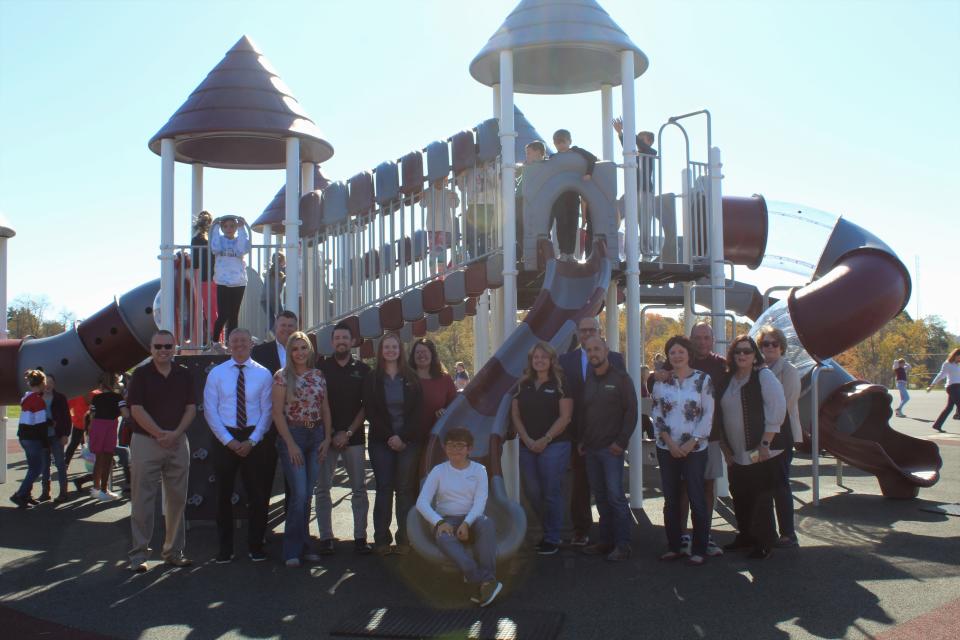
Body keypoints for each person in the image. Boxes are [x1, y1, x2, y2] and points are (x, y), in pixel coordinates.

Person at [648, 322, 727, 557]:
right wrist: (671, 444)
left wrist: (692, 442)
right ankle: (677, 541)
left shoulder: (711, 373)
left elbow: (708, 413)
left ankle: (702, 543)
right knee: (673, 496)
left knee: (701, 492)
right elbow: (657, 410)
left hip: (701, 443)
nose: (677, 355)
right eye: (673, 352)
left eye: (706, 337)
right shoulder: (664, 377)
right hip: (668, 446)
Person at [126, 329, 197, 572]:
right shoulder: (141, 374)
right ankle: (138, 555)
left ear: (175, 348)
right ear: (151, 348)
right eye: (158, 346)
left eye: (168, 346)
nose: (163, 350)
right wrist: (159, 434)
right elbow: (136, 409)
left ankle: (174, 552)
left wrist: (175, 434)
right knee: (143, 500)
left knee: (177, 500)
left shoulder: (184, 375)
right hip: (146, 441)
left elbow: (191, 408)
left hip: (178, 442)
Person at [203, 328, 274, 563]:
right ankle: (225, 549)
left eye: (244, 341)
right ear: (228, 344)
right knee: (222, 495)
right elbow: (211, 410)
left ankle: (256, 545)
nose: (239, 345)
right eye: (235, 341)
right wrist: (229, 441)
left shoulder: (264, 374)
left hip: (255, 438)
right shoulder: (216, 374)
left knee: (258, 494)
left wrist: (252, 440)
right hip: (226, 437)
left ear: (251, 344)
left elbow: (268, 411)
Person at [713, 335, 787, 560]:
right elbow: (720, 414)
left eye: (747, 351)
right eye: (738, 352)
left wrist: (765, 443)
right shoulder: (728, 379)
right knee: (740, 494)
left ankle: (764, 541)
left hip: (760, 449)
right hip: (736, 451)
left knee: (760, 495)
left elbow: (778, 409)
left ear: (755, 355)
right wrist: (725, 449)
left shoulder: (763, 376)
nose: (742, 355)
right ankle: (745, 535)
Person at [416, 426, 502, 607]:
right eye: (451, 445)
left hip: (472, 517)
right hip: (446, 518)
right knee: (444, 537)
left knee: (487, 524)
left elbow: (480, 502)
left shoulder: (479, 470)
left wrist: (467, 523)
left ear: (469, 449)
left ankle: (484, 581)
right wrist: (439, 522)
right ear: (445, 448)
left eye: (460, 446)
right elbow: (422, 502)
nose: (455, 450)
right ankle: (485, 580)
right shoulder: (438, 471)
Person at [558, 316, 625, 547]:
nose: (586, 333)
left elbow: (624, 400)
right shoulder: (565, 361)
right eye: (583, 330)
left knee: (612, 488)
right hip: (578, 435)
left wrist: (621, 436)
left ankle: (617, 536)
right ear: (577, 333)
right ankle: (581, 529)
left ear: (600, 331)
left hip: (609, 435)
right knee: (580, 485)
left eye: (591, 329)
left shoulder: (615, 359)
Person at [272, 331, 331, 567]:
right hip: (293, 436)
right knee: (299, 495)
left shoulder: (318, 375)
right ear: (289, 351)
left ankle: (306, 545)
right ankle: (291, 550)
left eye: (303, 348)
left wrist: (327, 438)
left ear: (309, 351)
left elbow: (325, 407)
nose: (299, 353)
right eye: (295, 349)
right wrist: (290, 444)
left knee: (308, 495)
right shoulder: (281, 377)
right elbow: (277, 413)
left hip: (316, 436)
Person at [362, 332, 423, 555]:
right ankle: (381, 539)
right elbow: (371, 410)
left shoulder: (412, 377)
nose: (390, 350)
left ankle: (404, 540)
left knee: (405, 490)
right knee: (384, 488)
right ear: (381, 351)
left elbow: (418, 412)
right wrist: (390, 436)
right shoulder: (372, 378)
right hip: (381, 441)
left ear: (400, 350)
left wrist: (403, 437)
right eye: (386, 347)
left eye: (394, 347)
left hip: (408, 442)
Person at [579, 336, 638, 561]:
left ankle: (623, 544)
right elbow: (585, 413)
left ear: (606, 350)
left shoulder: (621, 379)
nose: (593, 352)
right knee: (601, 497)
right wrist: (582, 440)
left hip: (611, 449)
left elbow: (631, 412)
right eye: (589, 349)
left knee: (615, 497)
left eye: (597, 348)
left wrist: (621, 442)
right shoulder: (589, 379)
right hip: (591, 449)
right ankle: (605, 541)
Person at [316, 321, 373, 555]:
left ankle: (360, 537)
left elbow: (366, 406)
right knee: (322, 490)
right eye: (337, 337)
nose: (341, 341)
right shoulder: (320, 368)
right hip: (325, 438)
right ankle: (326, 537)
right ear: (332, 342)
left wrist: (347, 432)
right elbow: (316, 402)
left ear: (352, 342)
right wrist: (331, 434)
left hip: (354, 439)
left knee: (359, 490)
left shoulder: (363, 370)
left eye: (345, 338)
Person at [511, 341, 572, 555]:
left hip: (555, 445)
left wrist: (545, 439)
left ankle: (552, 537)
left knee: (551, 492)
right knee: (533, 491)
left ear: (551, 360)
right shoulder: (523, 384)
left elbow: (566, 417)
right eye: (536, 357)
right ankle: (546, 530)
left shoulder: (561, 383)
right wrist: (526, 438)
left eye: (543, 357)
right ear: (531, 360)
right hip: (527, 445)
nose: (539, 360)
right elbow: (515, 415)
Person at [757, 326, 803, 549]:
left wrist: (770, 430)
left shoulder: (789, 370)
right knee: (765, 484)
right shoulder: (759, 369)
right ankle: (768, 531)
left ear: (781, 346)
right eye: (765, 344)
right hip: (762, 434)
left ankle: (788, 533)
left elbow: (788, 404)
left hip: (781, 434)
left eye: (774, 344)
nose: (769, 348)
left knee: (780, 483)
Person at [251, 310, 299, 518]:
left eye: (291, 326)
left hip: (297, 425)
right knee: (262, 481)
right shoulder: (259, 352)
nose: (286, 329)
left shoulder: (304, 351)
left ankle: (294, 534)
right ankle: (259, 536)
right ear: (275, 327)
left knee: (295, 484)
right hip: (267, 426)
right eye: (283, 325)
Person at [551, 129, 597, 262]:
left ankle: (570, 253)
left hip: (573, 194)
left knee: (572, 223)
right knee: (561, 224)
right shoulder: (554, 157)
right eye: (557, 143)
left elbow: (591, 158)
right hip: (559, 195)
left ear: (569, 141)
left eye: (563, 142)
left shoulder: (577, 151)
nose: (560, 145)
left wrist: (588, 173)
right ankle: (563, 252)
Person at [10, 370, 50, 509]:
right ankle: (20, 494)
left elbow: (32, 418)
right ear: (42, 383)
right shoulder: (38, 401)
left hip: (24, 436)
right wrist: (46, 444)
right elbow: (40, 425)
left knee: (33, 467)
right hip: (33, 438)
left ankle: (26, 494)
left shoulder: (27, 397)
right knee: (36, 468)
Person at [210, 215, 251, 345]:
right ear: (222, 228)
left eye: (232, 226)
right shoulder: (219, 241)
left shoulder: (239, 240)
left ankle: (230, 343)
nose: (229, 229)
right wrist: (215, 227)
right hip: (223, 282)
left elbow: (241, 250)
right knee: (223, 314)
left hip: (238, 282)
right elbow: (215, 248)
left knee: (234, 315)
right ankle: (215, 341)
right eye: (225, 226)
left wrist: (242, 228)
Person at [410, 337, 457, 442]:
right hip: (410, 439)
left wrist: (445, 411)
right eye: (418, 352)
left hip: (438, 437)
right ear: (413, 356)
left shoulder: (445, 379)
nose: (421, 355)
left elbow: (454, 405)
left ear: (432, 354)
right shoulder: (406, 378)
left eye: (425, 351)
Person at [88, 373, 125, 501]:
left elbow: (92, 415)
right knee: (108, 458)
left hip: (96, 426)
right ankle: (104, 490)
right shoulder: (118, 397)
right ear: (114, 383)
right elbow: (125, 413)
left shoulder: (96, 398)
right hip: (109, 426)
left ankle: (96, 488)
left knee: (98, 459)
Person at [36, 374, 71, 503]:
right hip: (43, 436)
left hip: (57, 435)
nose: (48, 385)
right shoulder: (37, 398)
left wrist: (66, 434)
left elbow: (67, 418)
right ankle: (46, 492)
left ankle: (63, 492)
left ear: (54, 384)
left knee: (60, 464)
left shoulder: (60, 398)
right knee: (44, 465)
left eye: (51, 382)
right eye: (46, 382)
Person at [420, 177, 460, 274]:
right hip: (431, 227)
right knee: (433, 254)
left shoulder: (448, 192)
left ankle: (441, 276)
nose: (441, 182)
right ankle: (433, 276)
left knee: (441, 253)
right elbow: (422, 204)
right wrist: (422, 196)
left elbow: (455, 205)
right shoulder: (428, 191)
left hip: (444, 227)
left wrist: (455, 197)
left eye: (443, 180)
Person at [191, 210, 217, 345]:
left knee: (209, 311)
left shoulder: (196, 240)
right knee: (218, 311)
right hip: (218, 277)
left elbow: (195, 263)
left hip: (204, 279)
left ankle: (214, 340)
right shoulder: (214, 240)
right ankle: (219, 340)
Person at [927, 347, 960, 433]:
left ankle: (937, 425)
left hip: (958, 387)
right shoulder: (947, 364)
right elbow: (941, 375)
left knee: (949, 408)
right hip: (952, 387)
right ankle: (957, 415)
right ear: (956, 355)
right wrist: (932, 385)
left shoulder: (958, 365)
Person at [64, 393, 90, 470]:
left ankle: (111, 462)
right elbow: (66, 407)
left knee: (98, 444)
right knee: (74, 443)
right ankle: (66, 463)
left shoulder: (96, 393)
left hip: (92, 424)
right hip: (79, 424)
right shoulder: (77, 395)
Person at [261, 252, 286, 323]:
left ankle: (269, 332)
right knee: (282, 318)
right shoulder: (282, 270)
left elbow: (264, 274)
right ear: (282, 261)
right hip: (273, 299)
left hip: (264, 299)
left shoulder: (269, 270)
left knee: (271, 320)